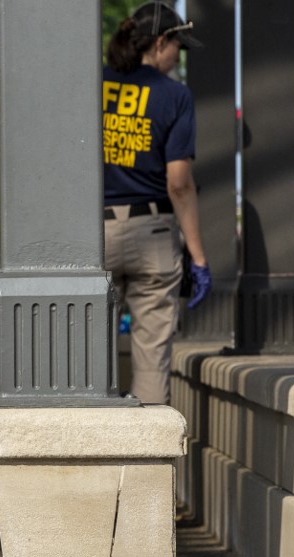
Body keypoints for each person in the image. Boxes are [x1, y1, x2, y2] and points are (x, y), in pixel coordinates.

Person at [103, 2, 212, 405]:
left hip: (93, 235)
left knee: (93, 357)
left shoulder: (91, 85)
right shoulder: (174, 96)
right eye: (177, 49)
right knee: (152, 360)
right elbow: (180, 185)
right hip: (152, 233)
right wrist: (198, 259)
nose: (177, 59)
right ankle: (145, 461)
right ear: (161, 41)